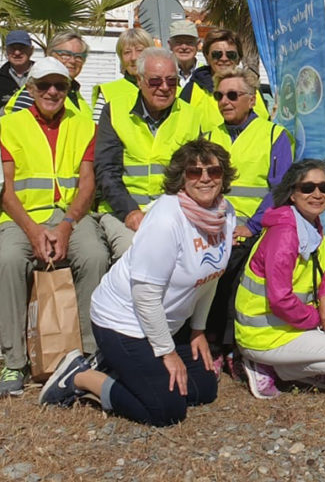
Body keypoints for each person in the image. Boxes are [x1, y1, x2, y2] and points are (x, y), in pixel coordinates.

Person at [39, 140, 236, 426]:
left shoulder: (224, 215)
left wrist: (197, 331)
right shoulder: (167, 218)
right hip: (122, 322)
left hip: (160, 325)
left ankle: (119, 368)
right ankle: (80, 376)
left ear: (223, 176)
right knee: (166, 410)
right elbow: (144, 295)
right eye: (194, 172)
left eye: (213, 171)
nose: (205, 178)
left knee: (203, 388)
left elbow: (209, 278)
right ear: (181, 178)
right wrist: (167, 352)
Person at [0, 58, 109, 397]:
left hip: (70, 217)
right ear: (30, 88)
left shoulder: (84, 125)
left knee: (94, 255)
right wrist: (33, 231)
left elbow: (87, 184)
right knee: (7, 260)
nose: (52, 91)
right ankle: (13, 360)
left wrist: (65, 226)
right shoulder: (7, 125)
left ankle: (89, 355)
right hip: (22, 217)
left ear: (68, 89)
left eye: (60, 86)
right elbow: (5, 189)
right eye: (44, 85)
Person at [235, 160, 325, 399]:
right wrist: (318, 320)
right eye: (307, 188)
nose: (317, 194)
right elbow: (281, 301)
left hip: (289, 322)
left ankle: (299, 359)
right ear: (292, 194)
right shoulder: (285, 234)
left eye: (324, 188)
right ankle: (268, 365)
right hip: (265, 334)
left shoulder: (309, 224)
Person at [203, 67, 294, 355]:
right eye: (219, 95)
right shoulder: (207, 135)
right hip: (211, 222)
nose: (224, 101)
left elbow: (279, 188)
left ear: (252, 99)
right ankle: (205, 338)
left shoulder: (273, 135)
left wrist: (252, 227)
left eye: (232, 95)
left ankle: (229, 345)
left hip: (254, 225)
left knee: (232, 265)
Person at [94, 47, 203, 260]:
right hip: (122, 211)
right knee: (134, 252)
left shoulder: (191, 116)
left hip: (173, 212)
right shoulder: (115, 111)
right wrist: (130, 212)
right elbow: (107, 171)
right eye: (155, 81)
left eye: (171, 81)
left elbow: (194, 175)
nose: (164, 88)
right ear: (139, 81)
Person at [179, 28, 268, 130]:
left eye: (231, 55)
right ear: (207, 57)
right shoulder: (191, 91)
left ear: (239, 59)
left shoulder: (253, 87)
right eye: (217, 54)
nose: (224, 59)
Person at [5, 31, 92, 117]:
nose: (72, 61)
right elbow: (19, 128)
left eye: (79, 57)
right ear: (49, 55)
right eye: (65, 55)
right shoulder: (35, 92)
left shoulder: (75, 93)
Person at [92, 28, 155, 122]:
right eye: (127, 52)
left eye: (139, 50)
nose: (134, 57)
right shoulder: (107, 92)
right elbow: (98, 132)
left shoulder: (170, 88)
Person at [0, 30, 34, 107]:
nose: (17, 53)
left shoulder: (43, 75)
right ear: (5, 51)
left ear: (31, 50)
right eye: (12, 48)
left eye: (22, 48)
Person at [167, 20, 201, 89]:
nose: (184, 47)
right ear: (170, 45)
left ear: (198, 45)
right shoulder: (163, 74)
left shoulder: (208, 74)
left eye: (189, 42)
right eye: (178, 42)